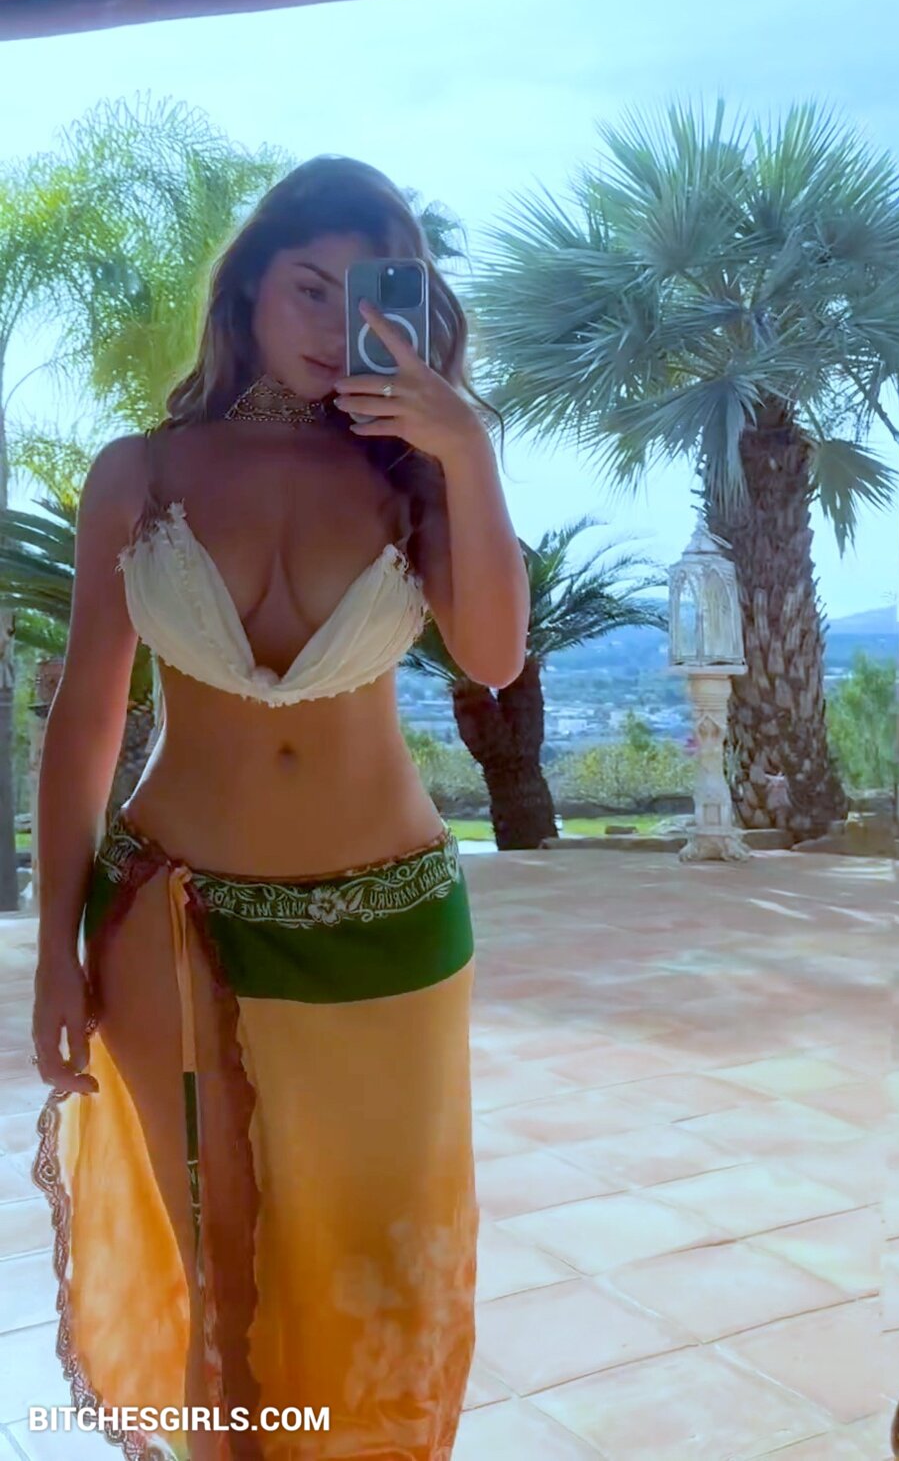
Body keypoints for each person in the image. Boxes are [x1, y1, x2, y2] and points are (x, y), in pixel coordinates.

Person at [28, 157, 530, 1461]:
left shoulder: (412, 475)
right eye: (309, 287)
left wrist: (465, 447)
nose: (329, 324)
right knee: (224, 1286)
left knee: (386, 1280)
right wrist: (56, 951)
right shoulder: (140, 472)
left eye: (365, 297)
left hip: (389, 927)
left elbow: (491, 655)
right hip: (173, 920)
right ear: (248, 286)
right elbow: (86, 719)